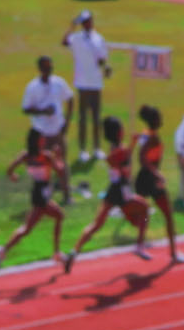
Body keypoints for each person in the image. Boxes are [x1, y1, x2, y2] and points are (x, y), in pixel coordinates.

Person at [64, 116, 151, 273]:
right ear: (118, 132)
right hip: (122, 192)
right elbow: (115, 159)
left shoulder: (116, 148)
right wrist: (131, 145)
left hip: (112, 191)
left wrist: (132, 144)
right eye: (122, 129)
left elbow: (122, 158)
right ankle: (139, 245)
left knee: (96, 225)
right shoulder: (117, 150)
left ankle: (74, 251)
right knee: (144, 209)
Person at [0, 129, 65, 268]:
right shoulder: (46, 156)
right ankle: (56, 253)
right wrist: (59, 157)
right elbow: (60, 171)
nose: (44, 140)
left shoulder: (26, 155)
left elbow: (10, 169)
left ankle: (3, 250)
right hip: (42, 193)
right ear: (37, 140)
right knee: (58, 216)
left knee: (28, 228)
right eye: (42, 138)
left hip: (37, 191)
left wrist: (13, 176)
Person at [133, 105, 184, 264]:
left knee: (144, 214)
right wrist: (156, 173)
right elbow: (142, 157)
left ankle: (139, 245)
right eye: (159, 118)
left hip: (142, 178)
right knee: (168, 215)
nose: (161, 121)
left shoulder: (145, 134)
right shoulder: (152, 137)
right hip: (150, 179)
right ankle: (173, 253)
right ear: (154, 120)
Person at [21, 55, 74, 202]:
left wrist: (67, 122)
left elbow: (70, 98)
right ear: (40, 69)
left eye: (50, 67)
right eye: (45, 67)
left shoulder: (59, 83)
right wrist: (43, 111)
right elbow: (26, 108)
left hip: (57, 130)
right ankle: (44, 197)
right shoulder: (32, 87)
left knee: (62, 164)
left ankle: (66, 195)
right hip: (41, 133)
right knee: (44, 166)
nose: (48, 70)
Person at [62, 11, 111, 164]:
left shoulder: (99, 38)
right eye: (84, 22)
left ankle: (97, 148)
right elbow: (64, 42)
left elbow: (102, 58)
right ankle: (83, 150)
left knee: (96, 117)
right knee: (83, 117)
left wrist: (106, 69)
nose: (87, 24)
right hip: (82, 82)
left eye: (88, 21)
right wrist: (71, 26)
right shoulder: (76, 38)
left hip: (96, 82)